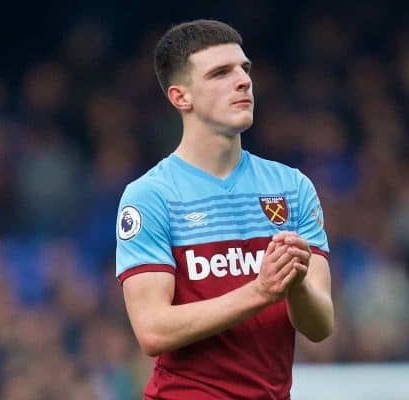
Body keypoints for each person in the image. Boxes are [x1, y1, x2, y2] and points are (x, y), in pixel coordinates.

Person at [115, 19, 333, 400]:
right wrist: (262, 290)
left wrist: (295, 285)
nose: (243, 80)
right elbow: (153, 330)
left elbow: (320, 326)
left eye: (244, 69)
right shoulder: (151, 196)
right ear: (181, 97)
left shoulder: (292, 187)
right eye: (220, 73)